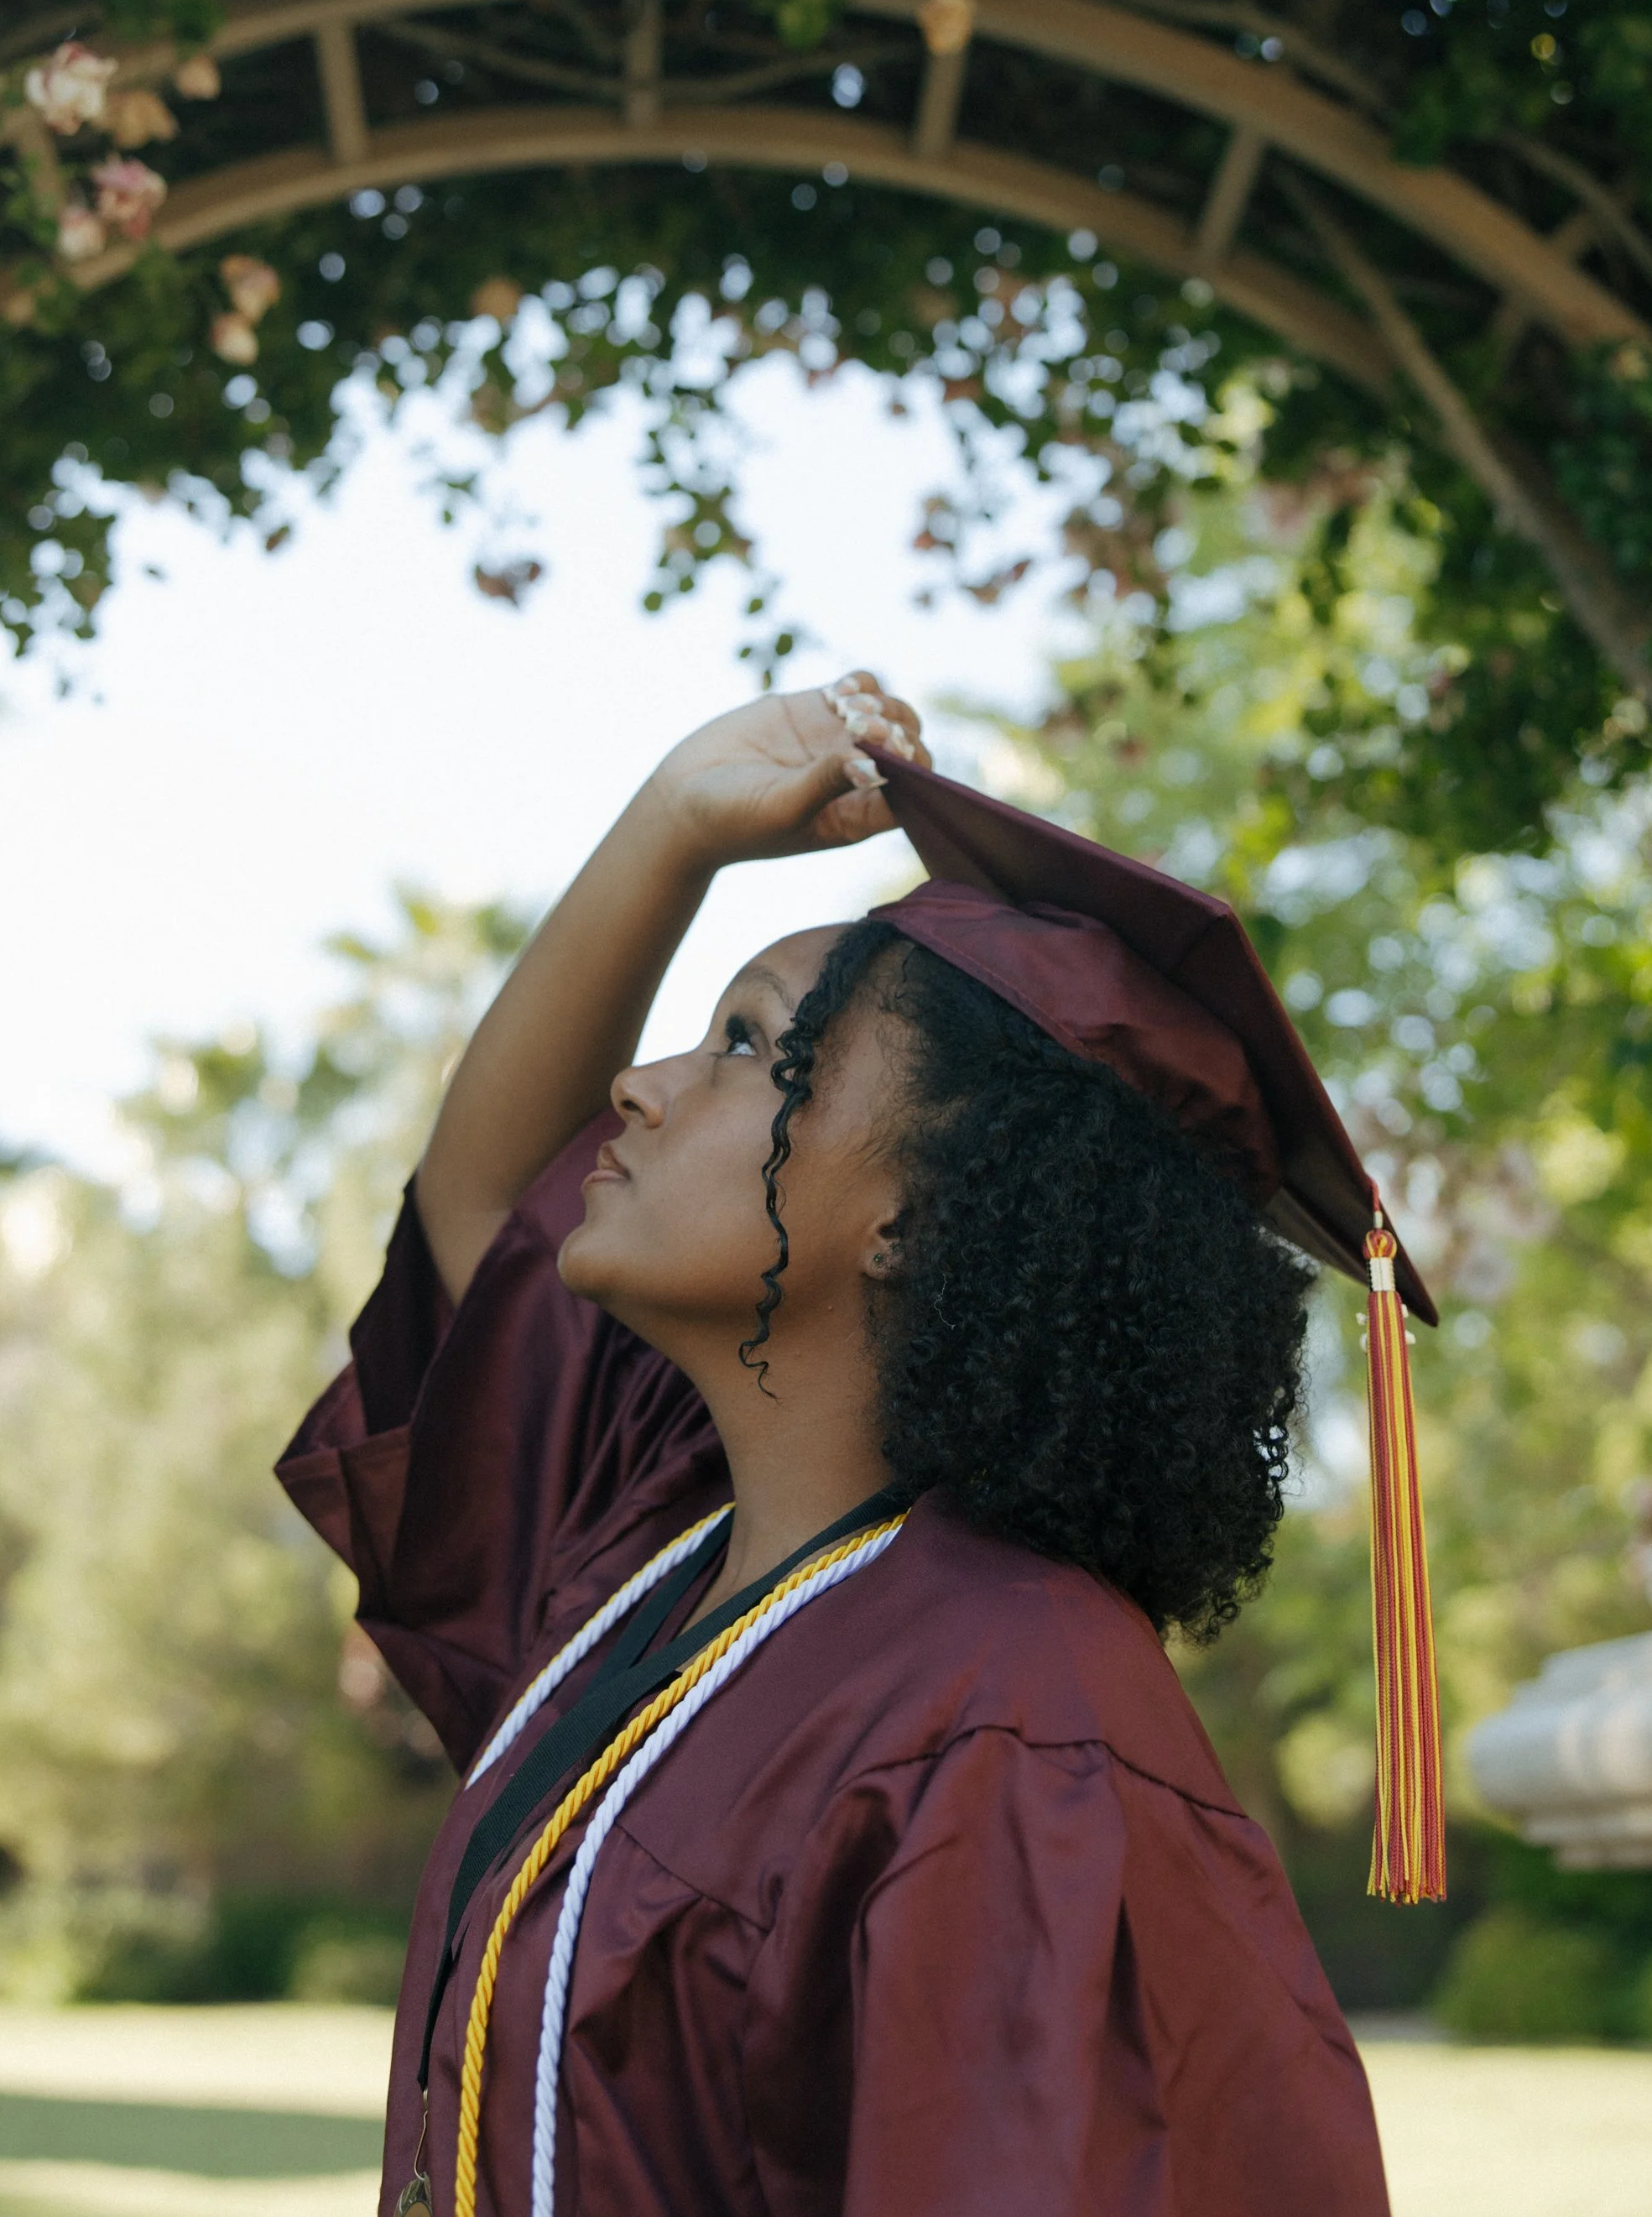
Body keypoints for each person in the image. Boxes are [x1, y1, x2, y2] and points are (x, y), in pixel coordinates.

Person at [279, 673, 1404, 2217]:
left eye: (747, 1044)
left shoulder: (1016, 1726)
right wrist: (675, 826)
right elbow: (480, 1236)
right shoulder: (651, 1569)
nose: (644, 1085)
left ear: (914, 1213)